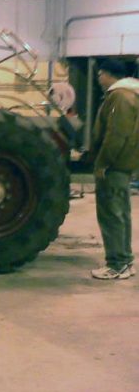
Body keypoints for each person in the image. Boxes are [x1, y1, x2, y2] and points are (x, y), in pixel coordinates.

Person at [89, 59, 139, 280]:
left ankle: (117, 264)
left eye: (101, 74)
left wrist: (103, 163)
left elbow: (117, 133)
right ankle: (125, 261)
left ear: (109, 74)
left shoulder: (120, 96)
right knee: (121, 213)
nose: (99, 78)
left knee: (111, 214)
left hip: (115, 165)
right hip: (124, 163)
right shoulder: (131, 94)